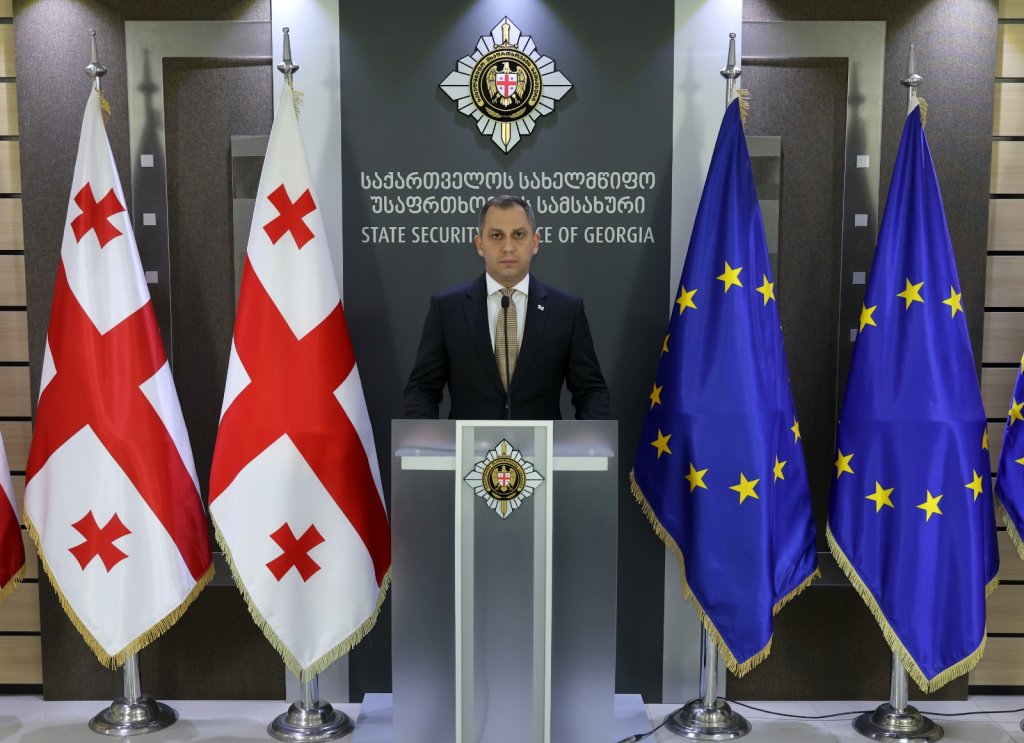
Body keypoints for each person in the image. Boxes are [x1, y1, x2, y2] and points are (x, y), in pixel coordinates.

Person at [404, 195, 609, 420]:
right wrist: (428, 439)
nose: (508, 247)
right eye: (497, 236)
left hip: (543, 444)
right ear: (480, 244)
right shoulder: (447, 309)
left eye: (518, 235)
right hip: (468, 443)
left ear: (535, 242)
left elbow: (591, 391)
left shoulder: (566, 310)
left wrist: (588, 439)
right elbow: (422, 389)